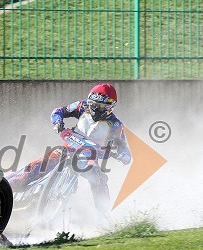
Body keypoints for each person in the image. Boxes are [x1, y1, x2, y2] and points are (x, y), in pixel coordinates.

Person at [8, 83, 131, 218]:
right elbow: (58, 111)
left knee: (100, 179)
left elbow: (124, 147)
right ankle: (6, 184)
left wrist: (123, 156)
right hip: (67, 148)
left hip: (90, 157)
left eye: (100, 107)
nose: (95, 109)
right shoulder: (81, 106)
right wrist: (58, 123)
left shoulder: (116, 125)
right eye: (93, 104)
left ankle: (104, 216)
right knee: (36, 167)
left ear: (110, 107)